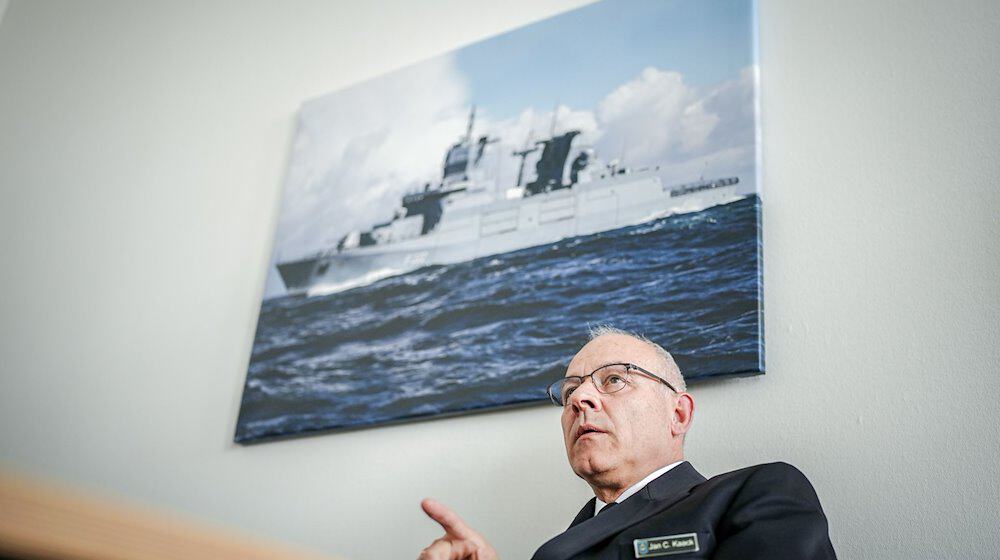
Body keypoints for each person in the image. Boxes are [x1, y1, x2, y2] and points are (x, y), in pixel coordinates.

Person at [419, 326, 837, 559]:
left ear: (679, 414)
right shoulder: (561, 545)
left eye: (614, 379)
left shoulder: (757, 492)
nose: (580, 399)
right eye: (570, 393)